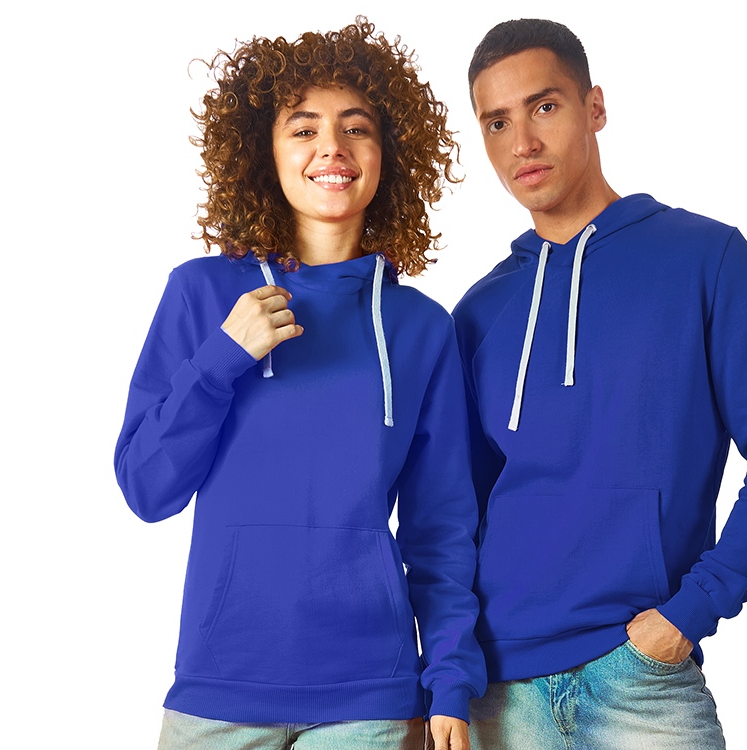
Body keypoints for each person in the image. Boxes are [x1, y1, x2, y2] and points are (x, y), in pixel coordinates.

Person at [452, 18, 747, 749]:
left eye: (544, 107)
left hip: (641, 677)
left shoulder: (705, 258)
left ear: (594, 107)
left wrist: (692, 610)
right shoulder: (481, 311)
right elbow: (452, 511)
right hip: (498, 691)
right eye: (497, 123)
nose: (522, 142)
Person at [114, 18, 485, 750]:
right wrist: (221, 359)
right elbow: (146, 489)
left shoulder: (421, 328)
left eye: (357, 128)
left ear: (387, 154)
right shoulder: (200, 294)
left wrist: (449, 680)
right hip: (219, 688)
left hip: (370, 699)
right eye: (304, 128)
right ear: (266, 152)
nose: (332, 148)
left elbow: (441, 529)